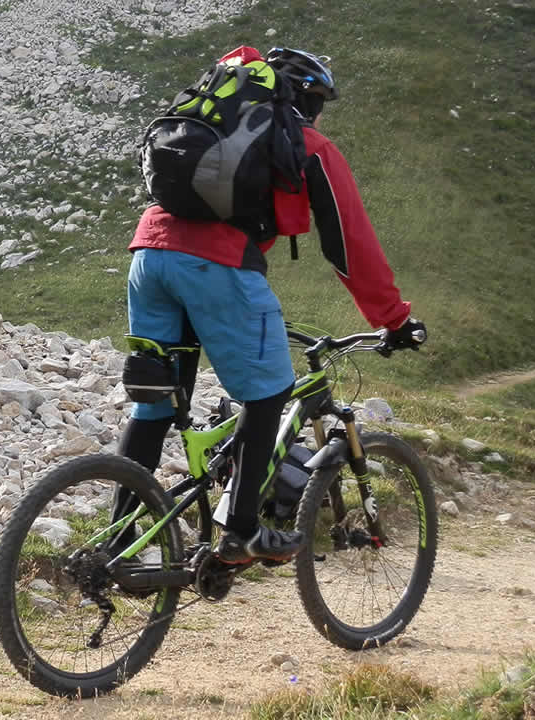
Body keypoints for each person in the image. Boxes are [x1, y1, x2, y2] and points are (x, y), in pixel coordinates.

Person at [119, 46, 428, 564]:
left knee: (155, 403)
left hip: (149, 256)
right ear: (309, 100)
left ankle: (116, 543)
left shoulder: (212, 122)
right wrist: (393, 320)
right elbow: (350, 245)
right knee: (269, 393)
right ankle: (241, 532)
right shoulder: (306, 143)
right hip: (217, 267)